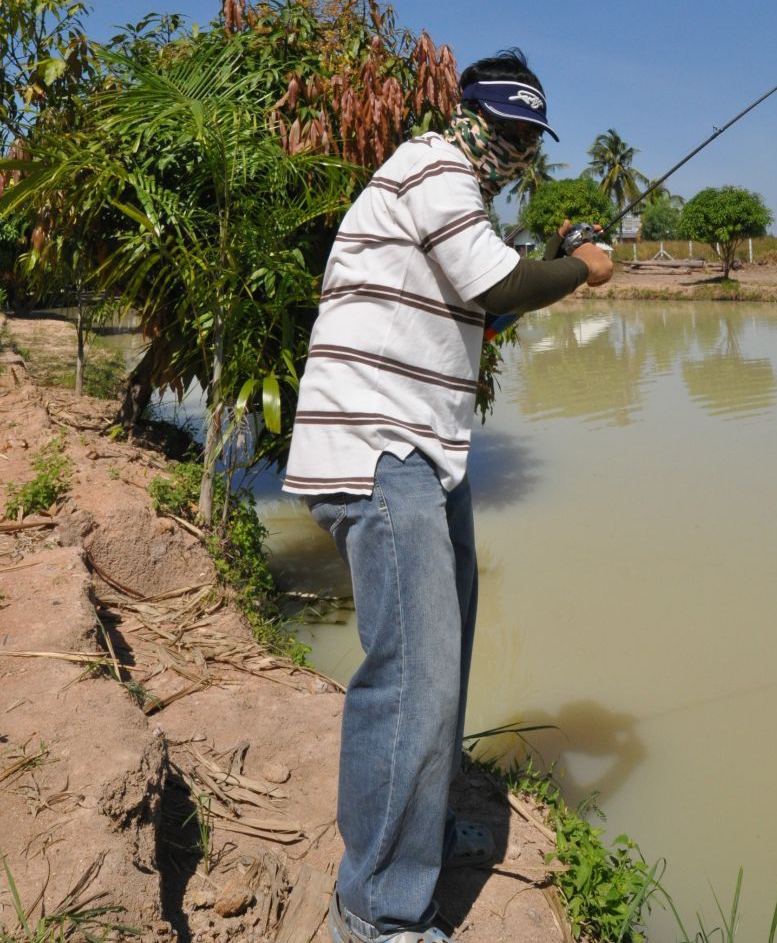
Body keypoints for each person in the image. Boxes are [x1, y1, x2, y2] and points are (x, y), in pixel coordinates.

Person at [282, 49, 613, 943]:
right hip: (379, 446)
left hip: (427, 453)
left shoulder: (455, 195)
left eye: (525, 136)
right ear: (467, 112)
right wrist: (582, 266)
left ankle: (416, 834)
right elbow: (498, 285)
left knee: (446, 653)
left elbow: (488, 307)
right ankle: (379, 906)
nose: (511, 147)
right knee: (415, 673)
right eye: (504, 128)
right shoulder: (433, 164)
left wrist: (549, 261)